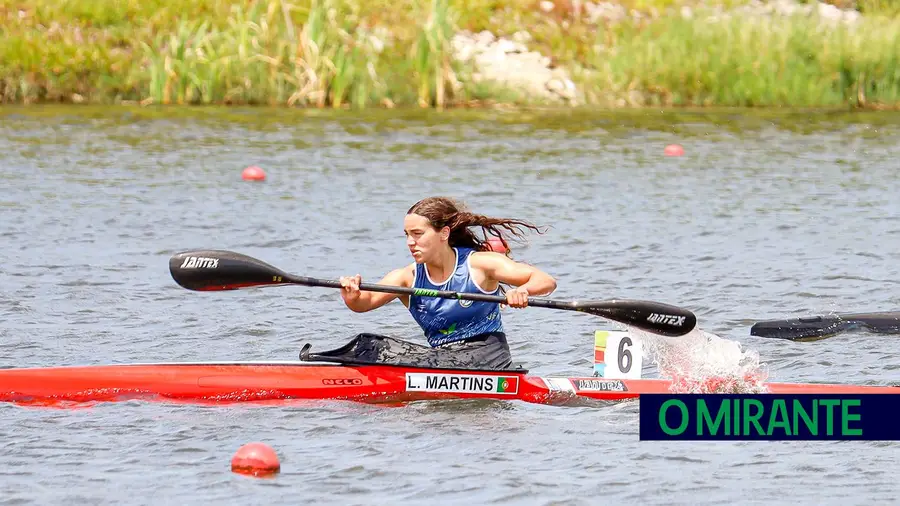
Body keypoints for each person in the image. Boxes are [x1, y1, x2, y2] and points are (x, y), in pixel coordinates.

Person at [334, 196, 558, 370]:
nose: (410, 242)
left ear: (444, 233)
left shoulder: (480, 264)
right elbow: (364, 303)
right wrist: (352, 296)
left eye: (418, 233)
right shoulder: (406, 277)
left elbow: (545, 280)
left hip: (488, 359)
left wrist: (522, 291)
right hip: (441, 359)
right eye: (407, 235)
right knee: (370, 345)